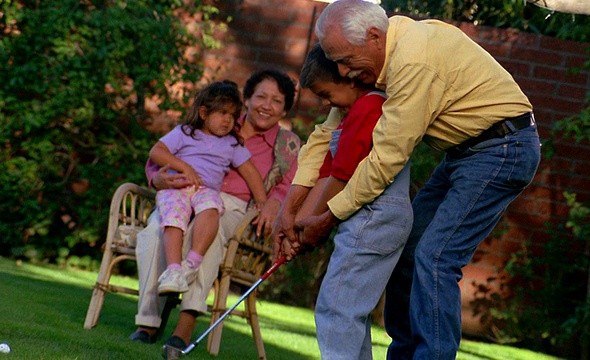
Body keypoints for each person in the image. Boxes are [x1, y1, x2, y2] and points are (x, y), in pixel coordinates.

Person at [276, 1, 542, 359]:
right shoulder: (377, 58)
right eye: (335, 61)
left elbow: (385, 160)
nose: (342, 71)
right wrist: (287, 210)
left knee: (435, 257)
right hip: (463, 153)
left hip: (502, 149)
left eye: (345, 60)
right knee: (409, 254)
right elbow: (324, 135)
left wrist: (328, 218)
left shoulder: (413, 62)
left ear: (373, 36)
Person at [128, 69, 300, 358]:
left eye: (277, 101)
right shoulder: (215, 120)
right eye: (261, 97)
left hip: (236, 208)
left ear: (285, 108)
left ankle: (183, 327)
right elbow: (163, 157)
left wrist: (271, 202)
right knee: (157, 227)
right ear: (247, 99)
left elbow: (290, 185)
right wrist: (157, 179)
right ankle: (147, 323)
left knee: (210, 231)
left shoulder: (288, 145)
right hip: (184, 192)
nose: (267, 106)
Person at [273, 43, 412, 360]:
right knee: (348, 309)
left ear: (349, 78)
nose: (325, 103)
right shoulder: (354, 112)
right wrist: (298, 226)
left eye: (326, 93)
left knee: (336, 306)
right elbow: (327, 170)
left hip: (374, 217)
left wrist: (315, 225)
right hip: (374, 219)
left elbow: (342, 176)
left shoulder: (368, 109)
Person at [148, 80, 267, 294]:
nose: (228, 120)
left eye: (232, 115)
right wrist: (184, 166)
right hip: (178, 188)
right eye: (222, 113)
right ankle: (174, 270)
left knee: (212, 209)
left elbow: (250, 171)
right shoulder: (185, 132)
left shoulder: (231, 143)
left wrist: (261, 201)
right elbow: (157, 151)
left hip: (205, 191)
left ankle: (191, 264)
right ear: (203, 112)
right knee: (173, 220)